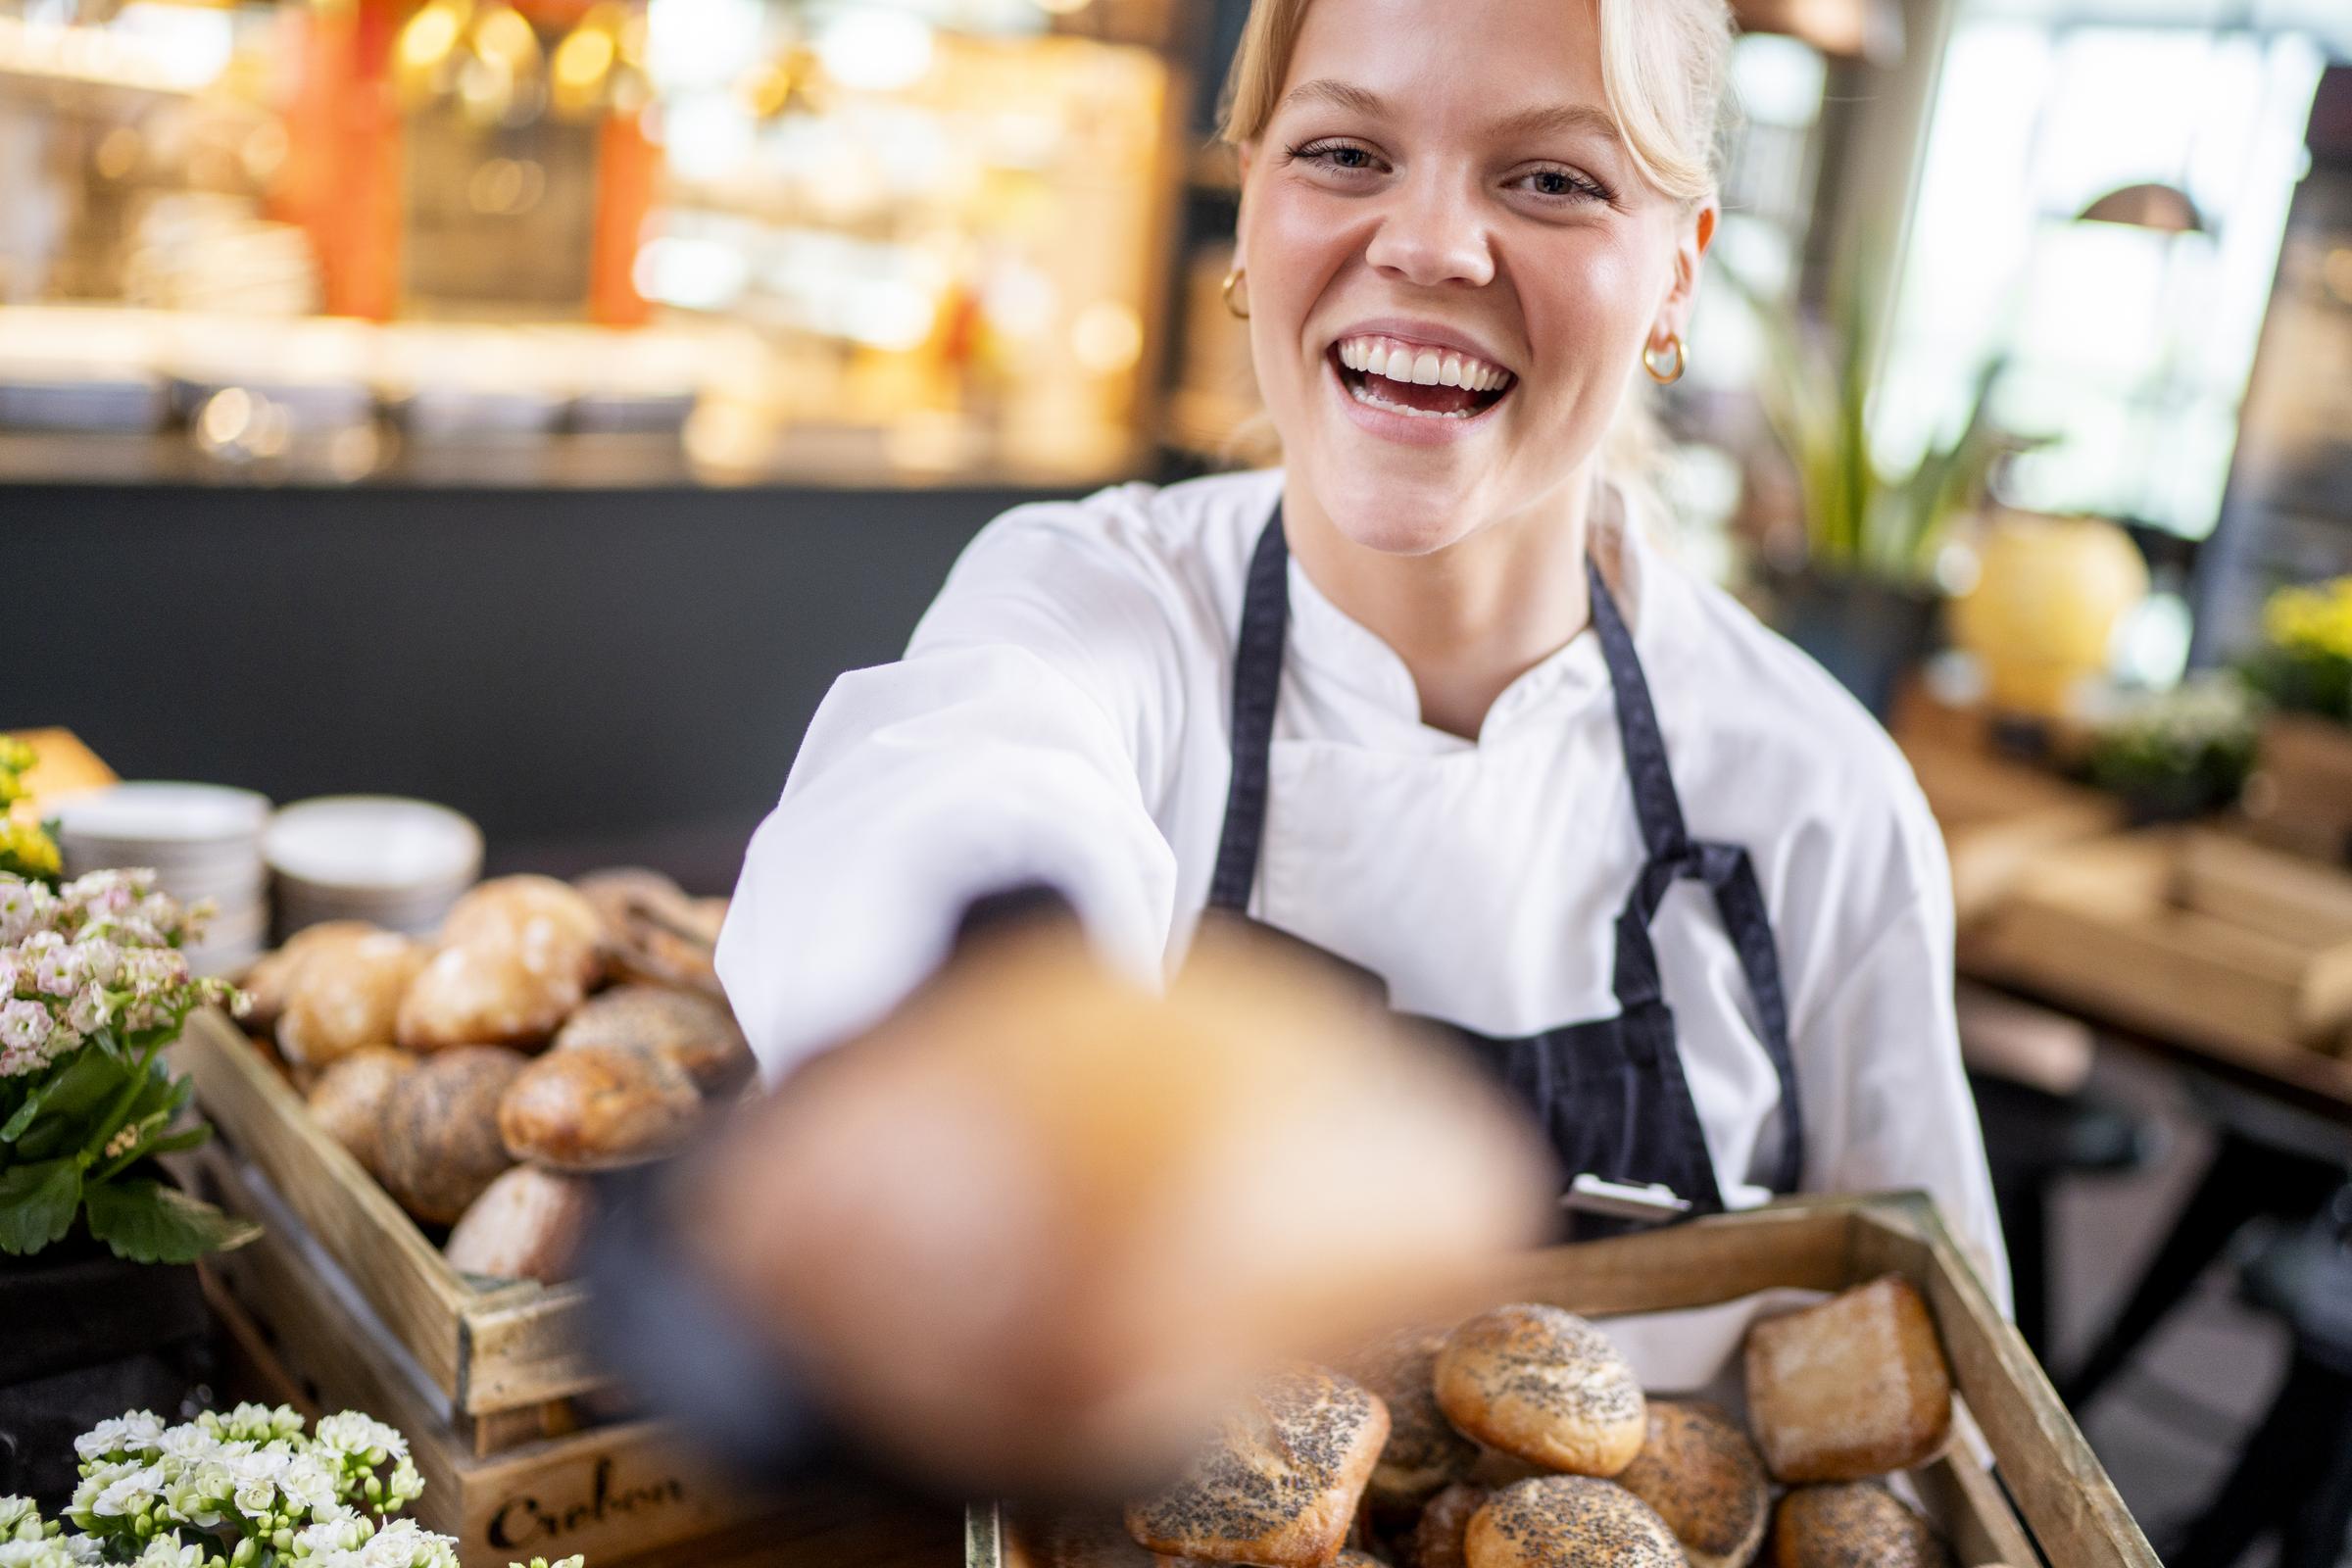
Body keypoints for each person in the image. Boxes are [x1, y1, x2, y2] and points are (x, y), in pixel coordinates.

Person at [633, 0, 2008, 1497]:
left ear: (1676, 271)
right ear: (1251, 210)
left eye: (1550, 179)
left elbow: (1948, 1396)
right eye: (1346, 152)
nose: (1428, 245)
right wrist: (964, 1068)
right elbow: (959, 792)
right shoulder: (1106, 610)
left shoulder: (1817, 796)